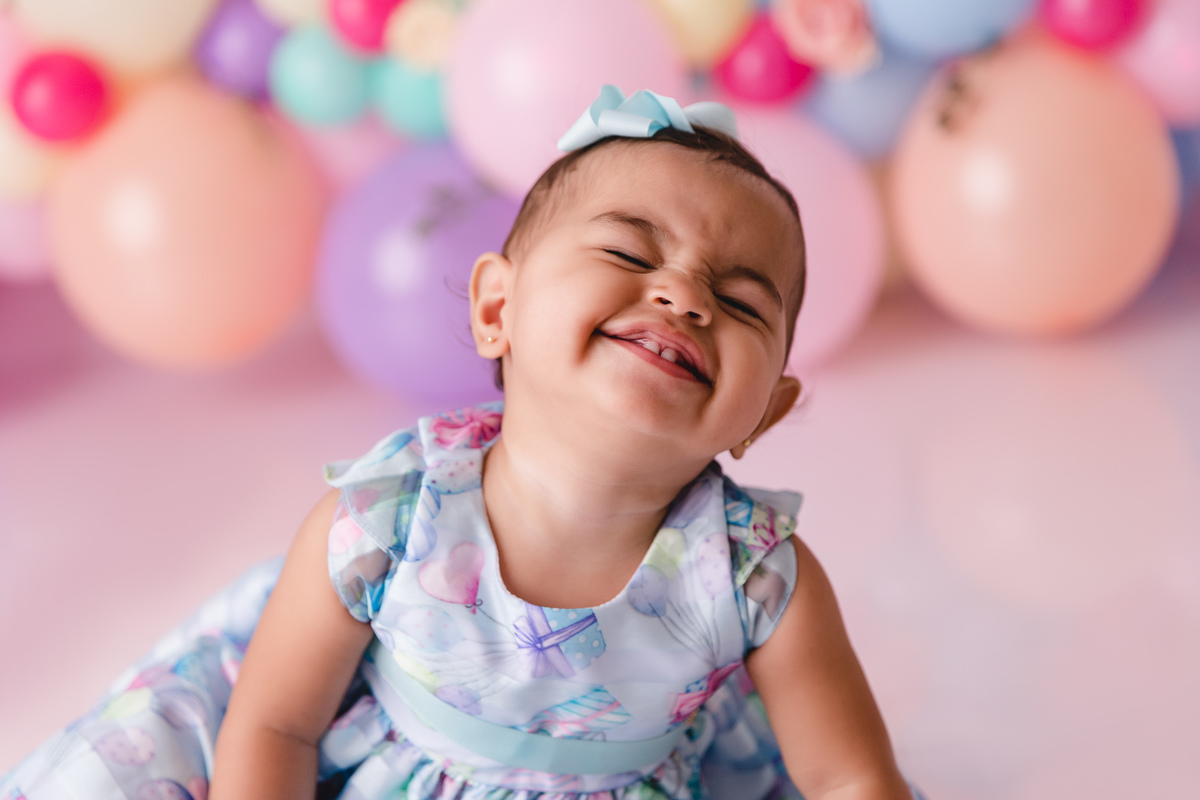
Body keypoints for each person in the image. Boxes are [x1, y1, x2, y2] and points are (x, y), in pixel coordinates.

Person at [2, 87, 921, 800]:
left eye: (742, 301)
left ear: (765, 412)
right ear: (497, 308)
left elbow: (848, 777)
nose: (684, 296)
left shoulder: (759, 578)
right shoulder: (390, 519)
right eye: (630, 254)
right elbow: (275, 725)